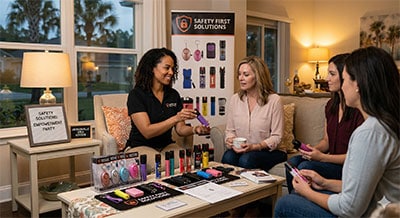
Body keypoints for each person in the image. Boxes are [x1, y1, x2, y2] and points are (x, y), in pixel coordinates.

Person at [274, 46, 400, 217]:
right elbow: (364, 186)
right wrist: (325, 183)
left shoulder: (370, 133)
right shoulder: (384, 123)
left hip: (376, 213)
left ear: (359, 85)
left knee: (286, 203)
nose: (342, 85)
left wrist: (307, 192)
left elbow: (350, 208)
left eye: (345, 79)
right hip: (373, 205)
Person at [285, 53, 364, 193]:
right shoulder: (331, 105)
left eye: (332, 74)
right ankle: (296, 197)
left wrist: (322, 157)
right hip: (329, 160)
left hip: (346, 167)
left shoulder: (359, 110)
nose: (327, 78)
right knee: (292, 163)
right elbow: (327, 140)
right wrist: (313, 150)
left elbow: (356, 157)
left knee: (304, 168)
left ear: (345, 76)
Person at [125, 47, 210, 152]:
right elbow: (147, 132)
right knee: (160, 164)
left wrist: (195, 129)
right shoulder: (136, 95)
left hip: (166, 145)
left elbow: (180, 129)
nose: (171, 72)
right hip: (141, 146)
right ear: (152, 68)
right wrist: (176, 118)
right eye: (167, 67)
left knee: (185, 161)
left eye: (173, 68)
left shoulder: (173, 95)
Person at [221, 56, 286, 172]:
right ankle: (230, 189)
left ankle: (249, 190)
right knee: (228, 156)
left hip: (269, 152)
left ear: (258, 76)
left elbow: (277, 137)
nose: (241, 78)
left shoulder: (274, 100)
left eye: (246, 75)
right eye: (239, 74)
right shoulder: (235, 99)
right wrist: (231, 140)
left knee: (247, 160)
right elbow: (230, 130)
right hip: (244, 150)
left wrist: (255, 147)